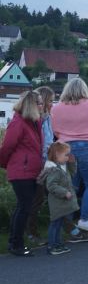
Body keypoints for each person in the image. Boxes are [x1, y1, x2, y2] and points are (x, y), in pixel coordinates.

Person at [52, 78, 88, 233]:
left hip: (65, 148)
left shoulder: (56, 108)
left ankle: (67, 223)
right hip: (87, 146)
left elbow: (55, 130)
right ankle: (84, 219)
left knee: (71, 185)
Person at [0, 91, 44, 256]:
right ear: (32, 105)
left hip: (29, 169)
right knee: (25, 207)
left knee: (23, 207)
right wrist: (6, 164)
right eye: (39, 103)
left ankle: (14, 242)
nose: (42, 106)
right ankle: (16, 244)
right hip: (21, 171)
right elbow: (6, 147)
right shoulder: (18, 122)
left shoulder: (34, 122)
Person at [37, 142, 78, 255]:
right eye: (66, 154)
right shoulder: (53, 169)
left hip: (62, 202)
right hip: (57, 202)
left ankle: (58, 243)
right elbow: (51, 185)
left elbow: (72, 174)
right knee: (55, 223)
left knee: (59, 224)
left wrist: (72, 163)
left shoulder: (62, 166)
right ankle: (52, 246)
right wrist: (64, 192)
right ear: (57, 154)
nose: (68, 157)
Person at [26, 86, 55, 246]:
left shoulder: (47, 117)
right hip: (41, 163)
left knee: (42, 197)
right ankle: (31, 233)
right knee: (36, 198)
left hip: (46, 162)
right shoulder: (39, 120)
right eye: (50, 101)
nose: (52, 104)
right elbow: (43, 144)